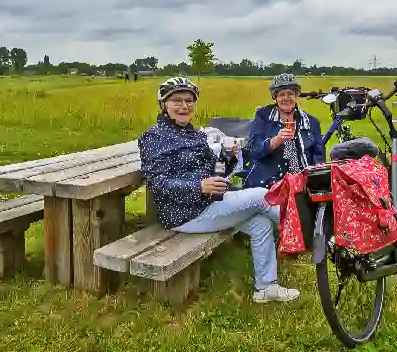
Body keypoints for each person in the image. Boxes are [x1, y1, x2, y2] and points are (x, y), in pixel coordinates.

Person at [137, 77, 300, 303]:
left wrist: (228, 159)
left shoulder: (193, 134)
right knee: (262, 195)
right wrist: (198, 186)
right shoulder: (154, 137)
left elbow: (213, 168)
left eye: (189, 101)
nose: (184, 106)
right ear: (164, 104)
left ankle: (266, 288)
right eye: (177, 100)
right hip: (184, 213)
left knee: (260, 223)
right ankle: (303, 233)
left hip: (210, 203)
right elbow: (158, 183)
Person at [245, 73, 325, 188]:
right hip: (269, 183)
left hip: (302, 181)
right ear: (275, 97)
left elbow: (318, 157)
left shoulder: (311, 122)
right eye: (281, 94)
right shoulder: (263, 116)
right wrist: (275, 141)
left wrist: (316, 182)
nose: (286, 98)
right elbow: (253, 149)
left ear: (296, 95)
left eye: (290, 94)